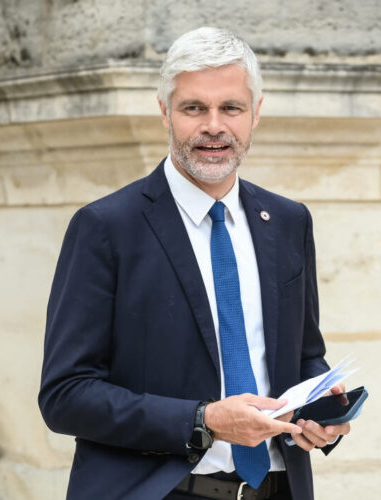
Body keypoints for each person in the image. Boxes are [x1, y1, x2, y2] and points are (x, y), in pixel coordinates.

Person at [39, 27, 350, 500]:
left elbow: (304, 353)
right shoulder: (105, 227)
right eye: (193, 108)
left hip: (277, 488)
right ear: (164, 112)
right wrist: (203, 421)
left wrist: (321, 411)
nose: (214, 126)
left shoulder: (288, 221)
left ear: (256, 113)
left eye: (231, 108)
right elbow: (66, 395)